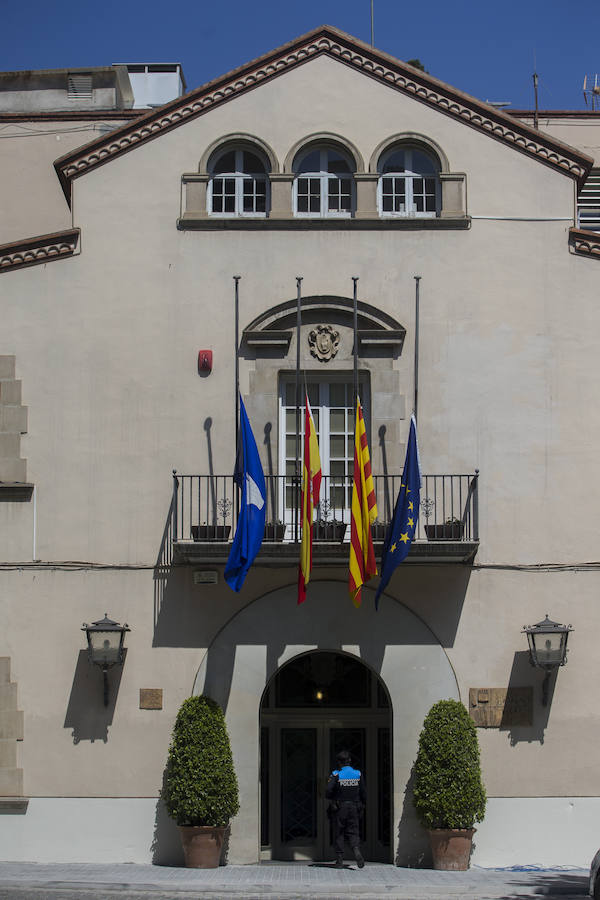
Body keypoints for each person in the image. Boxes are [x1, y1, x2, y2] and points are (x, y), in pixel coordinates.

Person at [326, 749, 366, 868]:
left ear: (339, 762)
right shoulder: (358, 774)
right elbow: (363, 792)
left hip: (340, 807)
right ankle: (356, 850)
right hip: (354, 806)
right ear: (350, 761)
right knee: (353, 830)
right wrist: (363, 805)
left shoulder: (336, 774)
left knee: (339, 832)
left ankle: (339, 860)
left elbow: (328, 790)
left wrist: (332, 798)